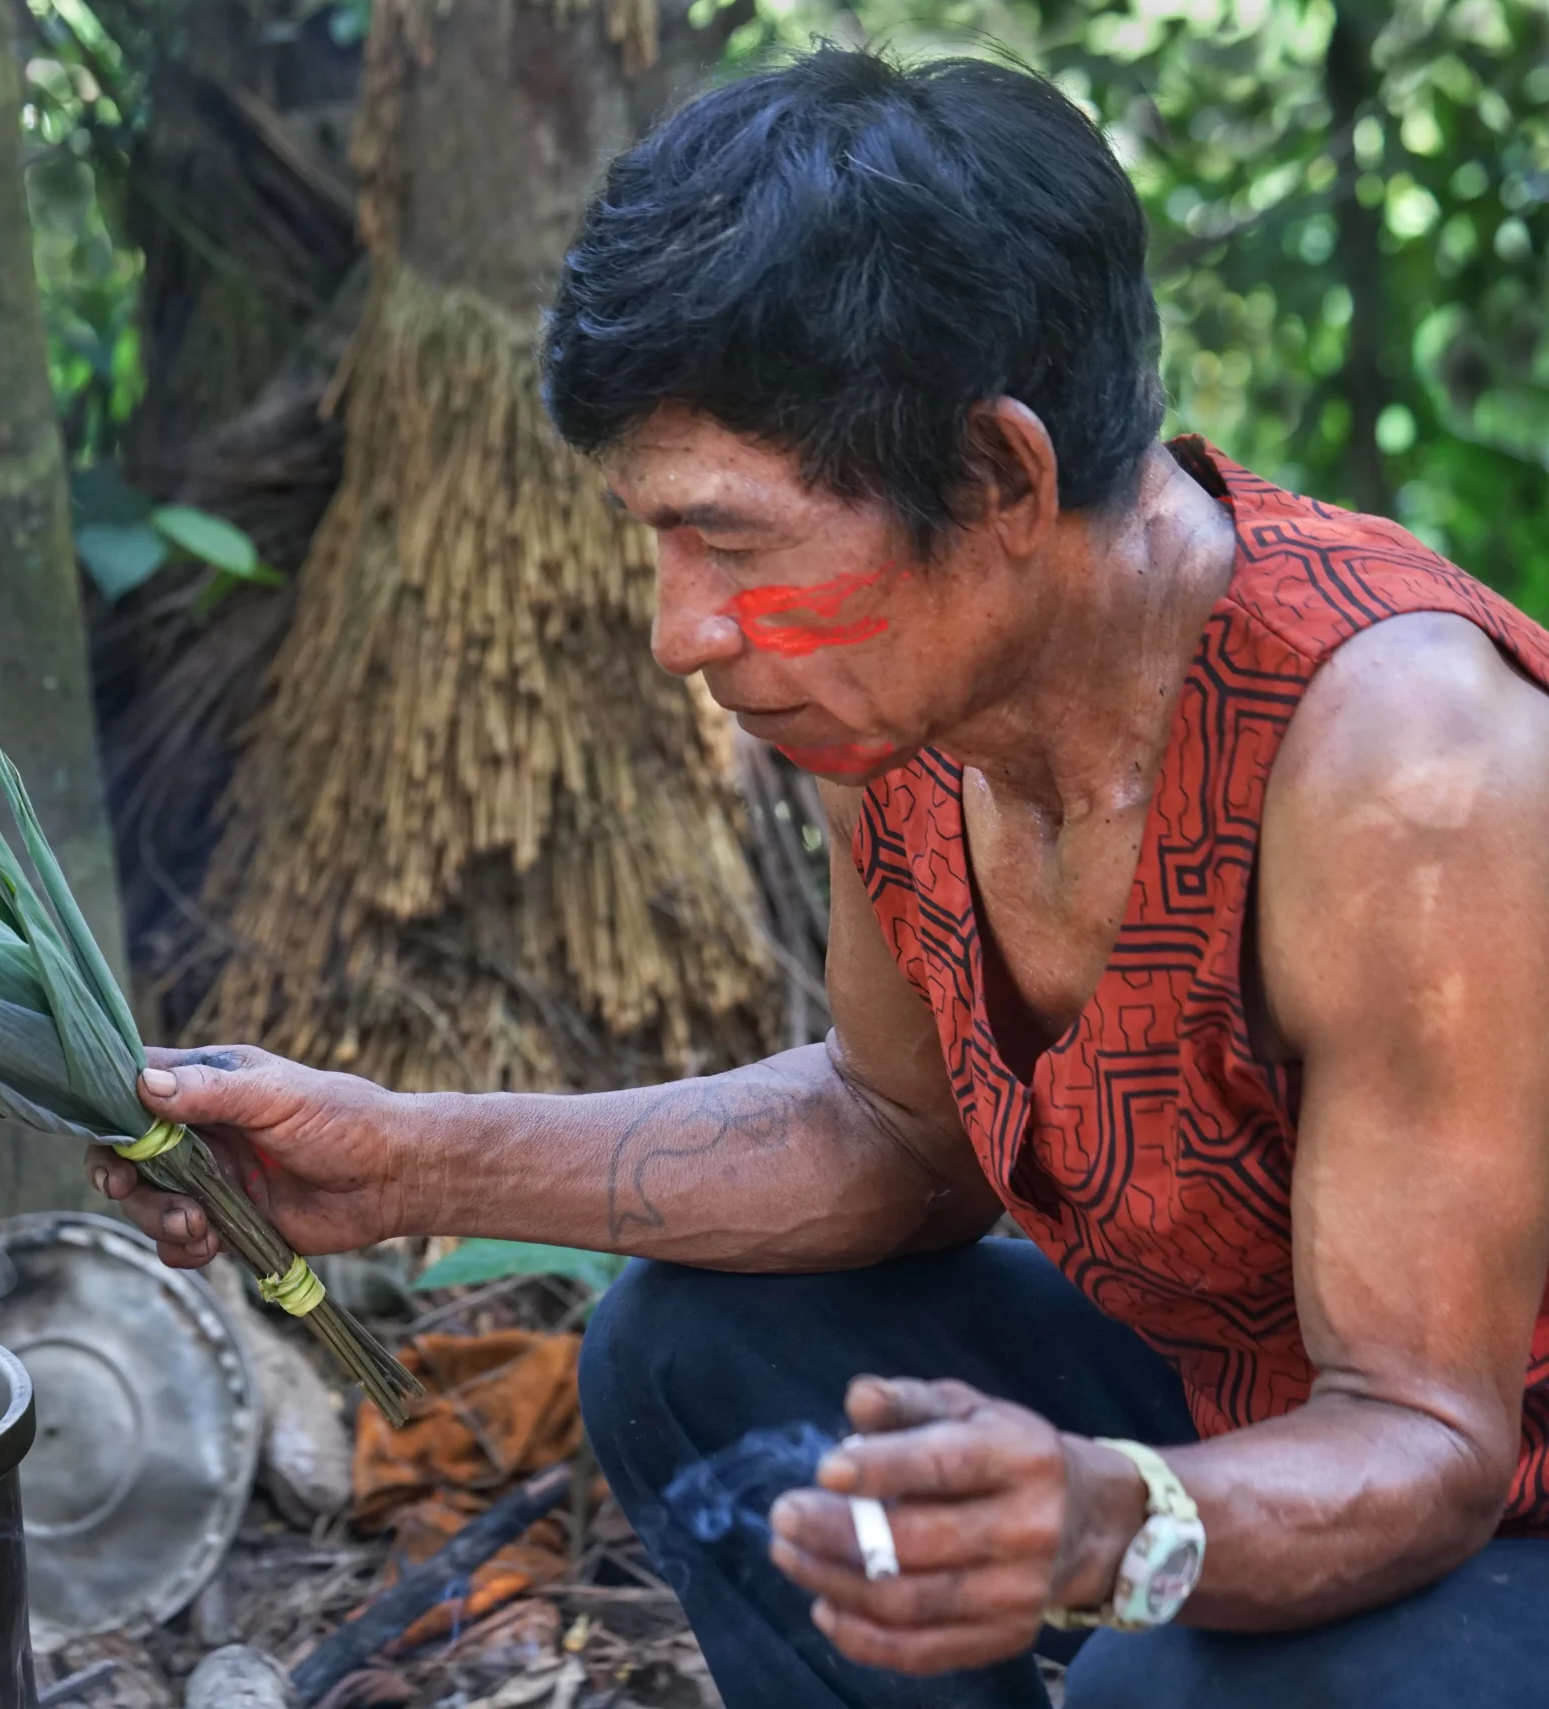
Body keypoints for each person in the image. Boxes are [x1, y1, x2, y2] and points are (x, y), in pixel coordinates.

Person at [83, 44, 1549, 1709]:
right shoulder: (903, 707)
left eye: (731, 540)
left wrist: (1112, 1522)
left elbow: (1427, 1435)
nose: (681, 632)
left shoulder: (1406, 767)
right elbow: (893, 1138)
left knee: (1161, 1686)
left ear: (998, 479)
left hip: (1479, 1480)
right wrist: (406, 1163)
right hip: (1256, 1407)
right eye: (659, 540)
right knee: (692, 1361)